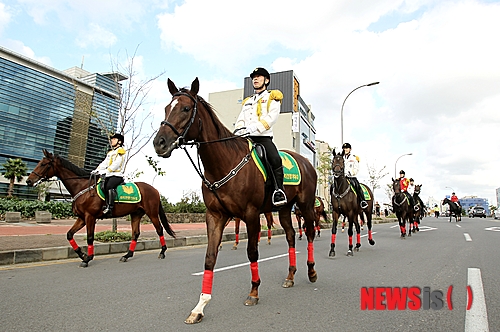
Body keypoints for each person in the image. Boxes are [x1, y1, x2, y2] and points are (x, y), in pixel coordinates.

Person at [234, 67, 286, 206]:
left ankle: (278, 191)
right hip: (246, 138)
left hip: (263, 137)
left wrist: (254, 128)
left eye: (259, 76)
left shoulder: (272, 97)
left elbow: (272, 118)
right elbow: (241, 118)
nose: (255, 79)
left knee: (275, 159)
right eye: (253, 77)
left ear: (266, 80)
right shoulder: (248, 101)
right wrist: (239, 129)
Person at [91, 133, 127, 217]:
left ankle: (110, 207)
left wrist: (106, 172)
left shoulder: (121, 151)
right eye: (112, 139)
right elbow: (104, 163)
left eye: (114, 139)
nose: (112, 141)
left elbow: (116, 164)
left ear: (119, 142)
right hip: (108, 174)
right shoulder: (110, 153)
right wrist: (97, 170)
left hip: (117, 175)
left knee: (108, 186)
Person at [342, 143, 368, 209]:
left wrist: (351, 173)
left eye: (347, 148)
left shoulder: (354, 158)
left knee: (357, 186)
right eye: (344, 148)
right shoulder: (341, 157)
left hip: (351, 177)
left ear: (350, 149)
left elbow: (356, 168)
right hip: (342, 177)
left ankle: (362, 201)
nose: (345, 150)